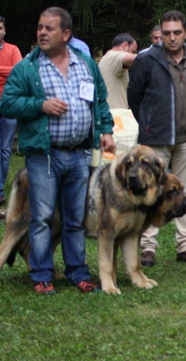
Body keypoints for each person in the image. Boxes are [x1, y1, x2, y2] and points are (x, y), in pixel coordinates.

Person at [0, 7, 116, 294]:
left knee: (74, 219)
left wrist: (106, 130)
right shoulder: (28, 67)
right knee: (41, 218)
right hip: (44, 155)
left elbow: (100, 99)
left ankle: (78, 272)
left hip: (79, 154)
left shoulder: (86, 64)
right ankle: (41, 275)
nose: (41, 32)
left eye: (48, 28)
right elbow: (7, 102)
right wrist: (40, 106)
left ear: (66, 34)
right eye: (39, 27)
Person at [128, 10, 186, 267]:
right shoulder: (147, 60)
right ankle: (147, 247)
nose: (171, 38)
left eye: (177, 33)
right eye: (166, 33)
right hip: (155, 139)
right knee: (152, 192)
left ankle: (185, 246)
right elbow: (134, 97)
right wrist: (148, 125)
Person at [0, 16, 22, 205]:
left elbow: (18, 70)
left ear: (4, 31)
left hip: (8, 103)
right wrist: (7, 70)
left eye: (0, 28)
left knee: (5, 150)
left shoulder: (13, 49)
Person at [98, 33, 137, 109]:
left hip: (111, 114)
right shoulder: (114, 56)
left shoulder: (108, 58)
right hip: (115, 116)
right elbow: (135, 59)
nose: (135, 54)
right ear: (125, 45)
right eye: (133, 51)